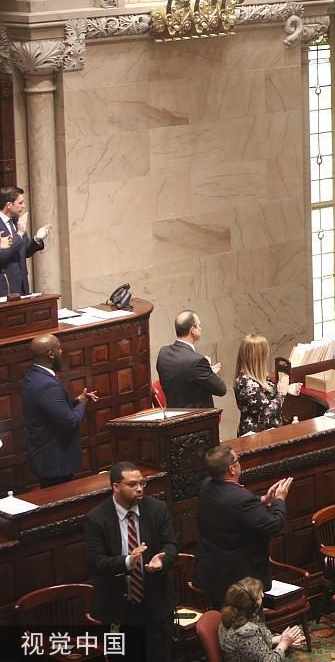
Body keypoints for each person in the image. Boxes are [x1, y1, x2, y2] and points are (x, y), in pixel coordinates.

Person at [84, 461, 178, 662]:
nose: (140, 488)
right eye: (132, 484)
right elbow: (96, 562)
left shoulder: (157, 509)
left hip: (155, 606)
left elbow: (171, 545)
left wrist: (162, 560)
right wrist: (127, 561)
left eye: (142, 483)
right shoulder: (96, 519)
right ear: (116, 486)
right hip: (118, 610)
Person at [195, 444, 293, 608]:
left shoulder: (207, 486)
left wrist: (263, 500)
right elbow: (274, 525)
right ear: (232, 469)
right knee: (246, 621)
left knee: (221, 619)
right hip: (239, 580)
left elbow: (234, 510)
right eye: (237, 460)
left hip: (213, 574)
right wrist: (279, 500)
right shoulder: (240, 498)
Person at [22, 334, 97, 487]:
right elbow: (70, 422)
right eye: (59, 348)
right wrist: (82, 403)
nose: (61, 352)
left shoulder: (32, 376)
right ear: (51, 354)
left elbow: (49, 411)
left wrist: (75, 401)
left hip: (45, 456)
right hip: (55, 460)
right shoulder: (47, 385)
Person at [218, 577, 306, 662]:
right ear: (253, 604)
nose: (263, 595)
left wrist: (281, 639)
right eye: (259, 595)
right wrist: (284, 644)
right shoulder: (246, 631)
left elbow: (253, 646)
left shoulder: (233, 616)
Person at [156, 310, 227, 408]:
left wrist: (205, 372)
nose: (201, 328)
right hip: (196, 416)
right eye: (199, 325)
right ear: (193, 330)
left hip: (172, 414)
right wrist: (208, 372)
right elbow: (221, 389)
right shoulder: (197, 361)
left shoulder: (163, 352)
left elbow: (182, 378)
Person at [234, 333, 301, 436]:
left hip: (269, 433)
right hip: (255, 437)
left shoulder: (259, 376)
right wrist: (282, 393)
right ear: (258, 357)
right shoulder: (246, 382)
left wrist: (286, 388)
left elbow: (269, 394)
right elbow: (266, 411)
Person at [0, 186, 52, 296]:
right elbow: (2, 255)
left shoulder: (16, 221)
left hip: (22, 284)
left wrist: (37, 239)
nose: (23, 206)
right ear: (9, 205)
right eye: (20, 203)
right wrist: (19, 233)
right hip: (5, 286)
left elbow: (25, 252)